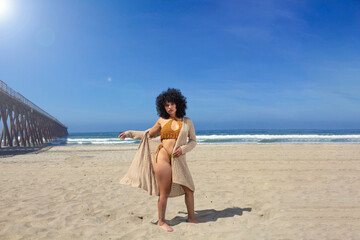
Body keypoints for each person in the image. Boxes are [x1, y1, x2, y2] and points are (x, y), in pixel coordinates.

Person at [118, 88, 200, 232]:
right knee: (165, 192)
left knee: (189, 188)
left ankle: (191, 217)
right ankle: (161, 222)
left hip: (178, 160)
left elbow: (193, 141)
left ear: (178, 104)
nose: (169, 107)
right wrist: (129, 133)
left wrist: (183, 149)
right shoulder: (162, 120)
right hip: (161, 157)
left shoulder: (187, 121)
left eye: (172, 104)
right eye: (166, 105)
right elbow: (147, 133)